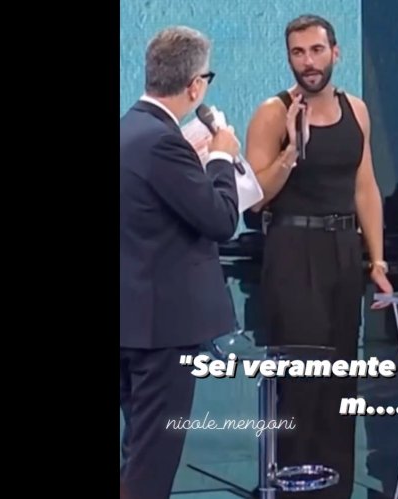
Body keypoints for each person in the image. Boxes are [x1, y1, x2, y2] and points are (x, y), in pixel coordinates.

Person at [245, 14, 393, 499]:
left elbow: (365, 188)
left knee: (340, 382)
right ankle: (290, 490)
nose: (307, 62)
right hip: (292, 251)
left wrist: (377, 261)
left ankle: (335, 491)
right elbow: (254, 198)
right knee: (302, 383)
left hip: (343, 253)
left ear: (335, 53)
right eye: (298, 53)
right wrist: (292, 148)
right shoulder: (272, 113)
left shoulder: (357, 110)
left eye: (315, 50)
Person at [120, 26, 241, 499]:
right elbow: (220, 219)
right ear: (195, 86)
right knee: (152, 463)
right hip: (162, 332)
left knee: (138, 454)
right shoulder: (163, 142)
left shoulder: (130, 130)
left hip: (133, 324)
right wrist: (221, 159)